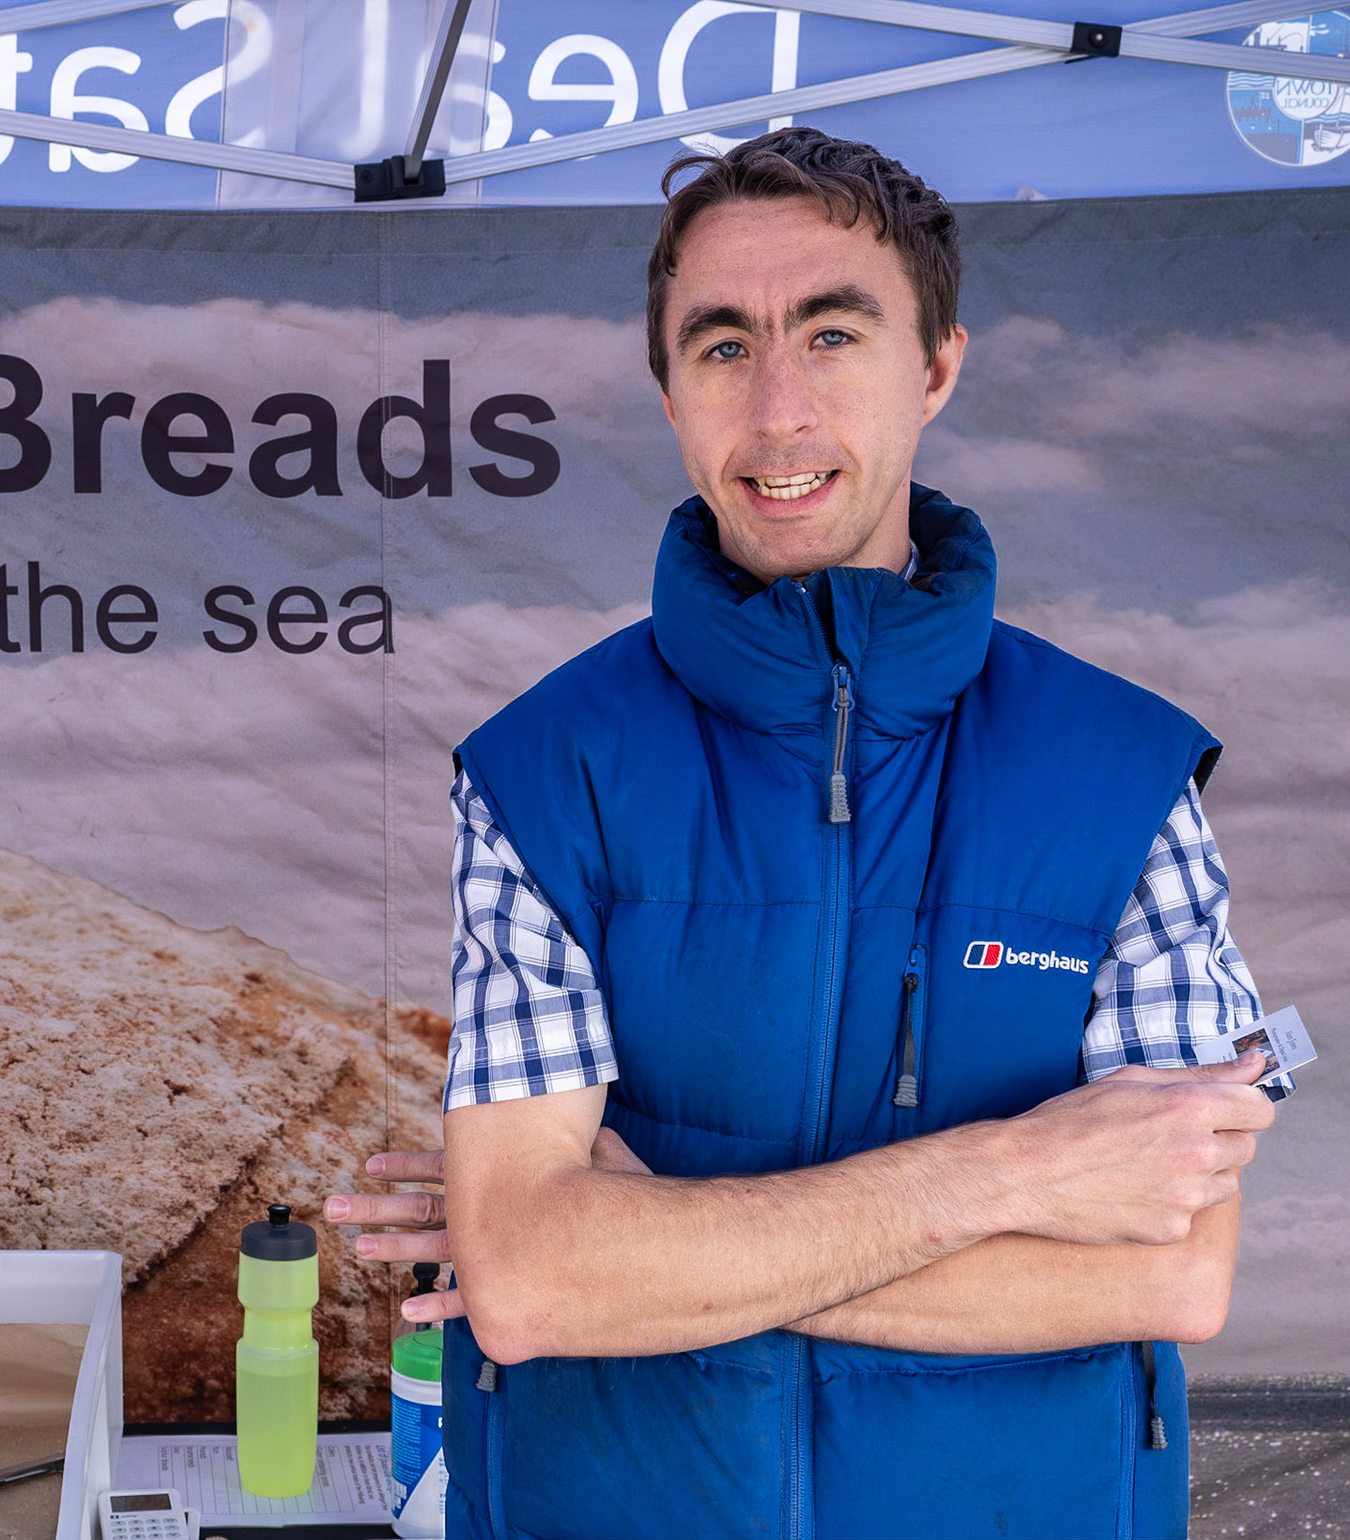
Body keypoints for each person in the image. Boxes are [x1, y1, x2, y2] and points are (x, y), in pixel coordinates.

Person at [324, 127, 1281, 1539]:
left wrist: (650, 1247)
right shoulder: (541, 773)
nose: (777, 413)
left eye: (832, 335)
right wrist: (1014, 1177)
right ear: (667, 390)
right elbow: (529, 1287)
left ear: (938, 364)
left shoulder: (1126, 778)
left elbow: (1172, 1279)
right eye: (721, 347)